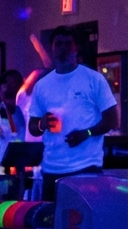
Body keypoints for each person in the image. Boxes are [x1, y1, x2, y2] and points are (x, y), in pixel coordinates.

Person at [28, 26, 119, 201]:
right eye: (59, 44)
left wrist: (87, 133)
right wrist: (43, 123)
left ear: (76, 48)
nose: (63, 48)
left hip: (86, 167)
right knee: (51, 223)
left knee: (83, 223)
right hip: (51, 168)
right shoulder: (42, 85)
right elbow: (33, 127)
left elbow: (112, 120)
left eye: (68, 44)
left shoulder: (93, 79)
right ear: (52, 48)